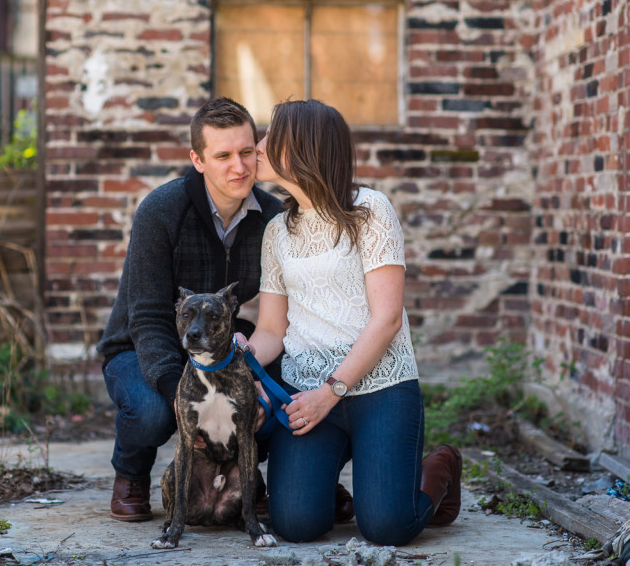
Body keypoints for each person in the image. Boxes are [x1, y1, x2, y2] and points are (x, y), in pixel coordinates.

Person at [242, 99, 463, 546]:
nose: (258, 145)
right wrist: (238, 357)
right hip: (307, 393)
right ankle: (344, 481)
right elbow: (270, 330)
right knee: (296, 525)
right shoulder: (276, 232)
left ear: (303, 147)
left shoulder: (370, 210)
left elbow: (386, 319)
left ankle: (437, 468)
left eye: (270, 136)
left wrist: (332, 391)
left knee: (386, 528)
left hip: (381, 387)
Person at [96, 97, 284, 522]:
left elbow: (278, 311)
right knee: (153, 413)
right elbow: (144, 316)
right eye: (223, 156)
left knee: (273, 400)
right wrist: (178, 394)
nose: (240, 167)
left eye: (246, 152)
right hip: (142, 346)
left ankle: (264, 483)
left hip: (221, 348)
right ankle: (131, 474)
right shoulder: (161, 212)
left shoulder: (272, 218)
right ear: (197, 159)